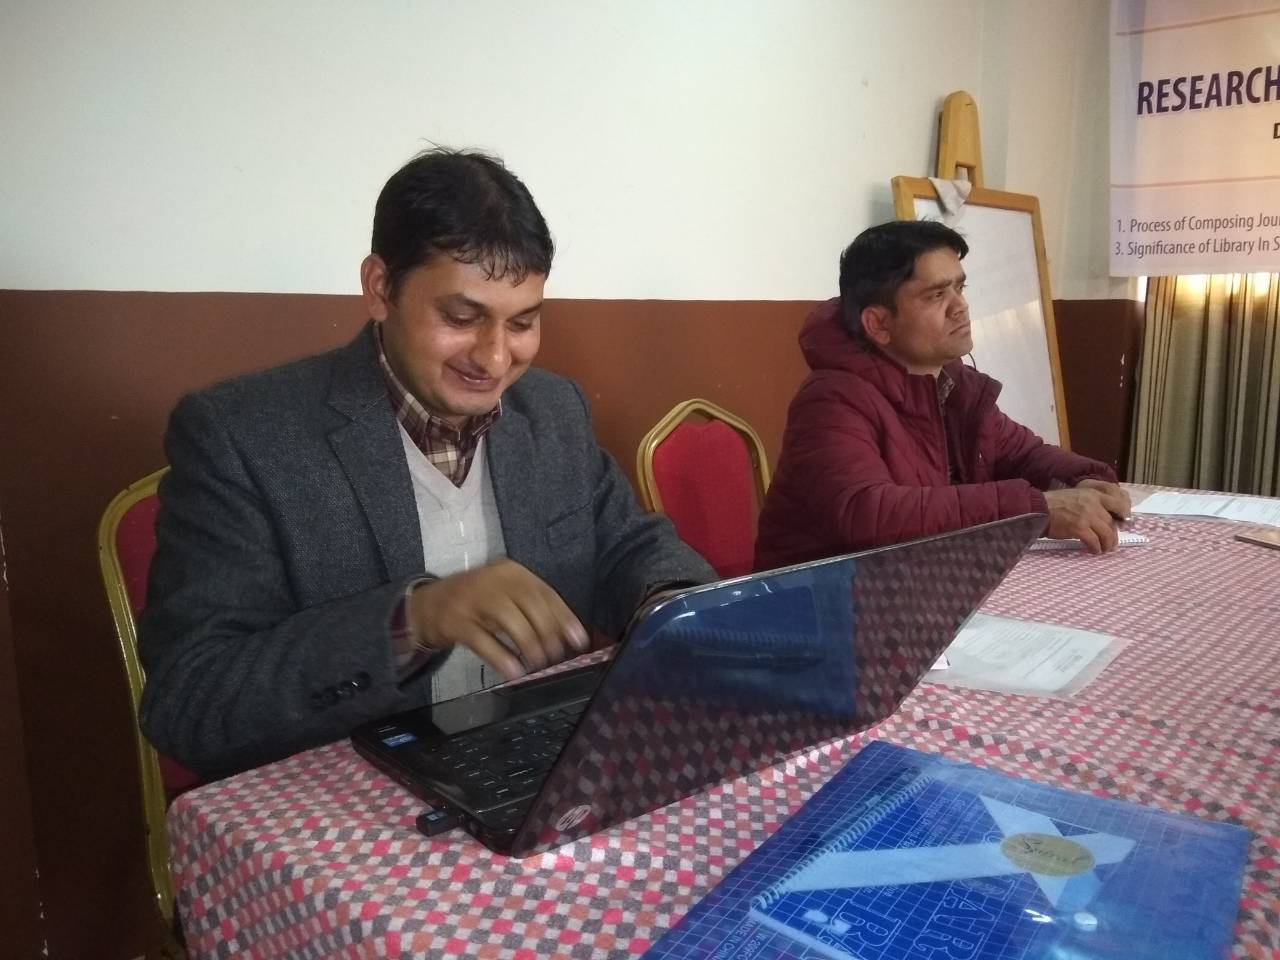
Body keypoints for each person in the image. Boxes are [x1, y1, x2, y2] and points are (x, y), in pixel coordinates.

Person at [138, 148, 716, 779]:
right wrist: (412, 621)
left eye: (522, 323)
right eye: (461, 317)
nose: (494, 359)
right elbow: (189, 700)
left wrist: (675, 604)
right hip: (353, 795)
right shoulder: (245, 436)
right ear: (380, 288)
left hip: (535, 768)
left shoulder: (550, 410)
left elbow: (626, 545)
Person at [754, 219, 1129, 571]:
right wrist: (1036, 508)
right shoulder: (831, 400)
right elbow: (868, 513)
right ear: (879, 323)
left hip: (918, 581)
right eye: (936, 295)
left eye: (959, 288)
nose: (960, 307)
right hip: (820, 601)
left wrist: (1086, 479)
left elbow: (1022, 453)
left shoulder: (955, 385)